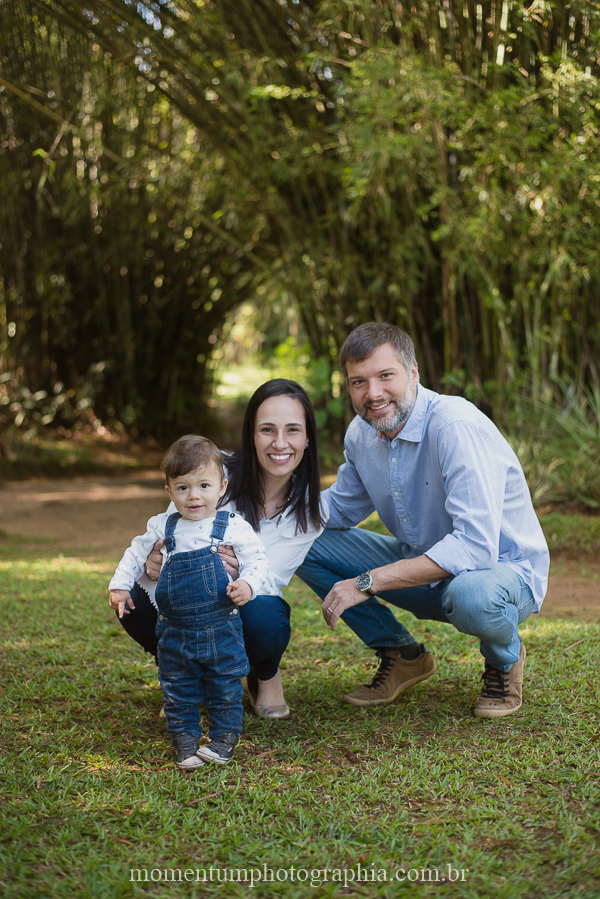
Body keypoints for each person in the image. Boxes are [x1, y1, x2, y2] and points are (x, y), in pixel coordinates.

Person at [296, 322, 550, 719]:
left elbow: (475, 548)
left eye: (385, 376)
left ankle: (504, 661)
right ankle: (403, 654)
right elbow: (338, 509)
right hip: (425, 574)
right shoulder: (362, 434)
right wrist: (260, 510)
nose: (372, 394)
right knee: (304, 537)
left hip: (497, 577)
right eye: (358, 382)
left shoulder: (455, 426)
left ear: (413, 373)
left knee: (470, 594)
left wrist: (369, 581)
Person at [111, 379, 327, 720]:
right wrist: (157, 563)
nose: (280, 443)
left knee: (267, 618)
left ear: (308, 438)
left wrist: (236, 572)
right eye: (267, 430)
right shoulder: (210, 470)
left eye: (293, 430)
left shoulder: (311, 511)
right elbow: (169, 540)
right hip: (185, 603)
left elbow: (270, 580)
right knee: (133, 600)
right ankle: (186, 673)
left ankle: (264, 673)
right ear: (251, 435)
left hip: (238, 602)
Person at [109, 435, 270, 769]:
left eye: (204, 485)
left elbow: (258, 560)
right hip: (175, 631)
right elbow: (135, 553)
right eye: (182, 487)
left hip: (221, 626)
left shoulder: (232, 526)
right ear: (169, 492)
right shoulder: (162, 526)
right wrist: (120, 586)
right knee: (177, 688)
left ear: (222, 486)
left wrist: (248, 584)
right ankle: (185, 741)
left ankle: (224, 740)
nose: (194, 496)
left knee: (224, 686)